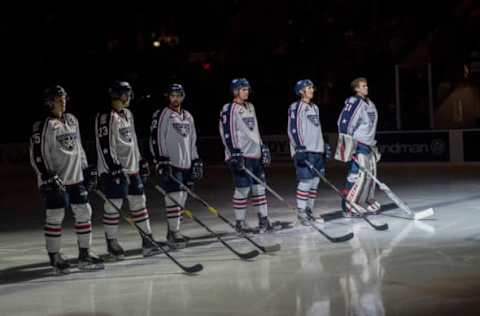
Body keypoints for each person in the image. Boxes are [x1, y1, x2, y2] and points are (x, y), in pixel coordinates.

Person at [30, 85, 104, 274]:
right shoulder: (43, 125)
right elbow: (38, 153)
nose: (62, 101)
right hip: (55, 180)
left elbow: (78, 147)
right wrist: (47, 175)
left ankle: (84, 253)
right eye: (58, 98)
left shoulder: (72, 120)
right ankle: (55, 256)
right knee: (55, 216)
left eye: (63, 97)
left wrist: (87, 169)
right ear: (49, 102)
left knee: (84, 212)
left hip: (75, 178)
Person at [95, 80, 160, 260]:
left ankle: (148, 240)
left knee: (139, 202)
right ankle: (112, 242)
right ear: (119, 95)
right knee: (114, 206)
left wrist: (140, 161)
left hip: (132, 169)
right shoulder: (105, 116)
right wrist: (114, 168)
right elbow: (104, 145)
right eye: (127, 93)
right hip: (114, 171)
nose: (130, 96)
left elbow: (132, 141)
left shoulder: (128, 114)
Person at [149, 83, 203, 249]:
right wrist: (160, 159)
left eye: (178, 95)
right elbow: (156, 137)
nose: (175, 98)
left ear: (182, 96)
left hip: (186, 163)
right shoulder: (163, 114)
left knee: (183, 197)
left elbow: (193, 140)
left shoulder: (188, 116)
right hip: (171, 163)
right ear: (168, 97)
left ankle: (175, 230)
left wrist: (196, 160)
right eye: (172, 95)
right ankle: (173, 232)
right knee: (174, 197)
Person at [219, 78, 273, 234]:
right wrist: (234, 152)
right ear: (235, 91)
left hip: (254, 154)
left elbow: (254, 130)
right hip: (241, 155)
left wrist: (262, 147)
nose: (246, 92)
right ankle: (240, 223)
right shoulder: (229, 108)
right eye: (243, 89)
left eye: (247, 89)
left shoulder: (250, 106)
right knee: (243, 189)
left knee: (259, 189)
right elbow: (227, 131)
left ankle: (263, 220)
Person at [335, 77, 380, 216]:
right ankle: (348, 203)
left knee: (370, 175)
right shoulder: (354, 102)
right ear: (356, 89)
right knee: (357, 175)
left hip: (369, 144)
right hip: (358, 144)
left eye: (366, 85)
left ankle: (364, 200)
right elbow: (343, 122)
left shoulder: (369, 103)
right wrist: (348, 144)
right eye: (363, 86)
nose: (366, 88)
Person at [287, 79, 330, 225]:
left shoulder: (315, 108)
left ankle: (309, 211)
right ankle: (301, 212)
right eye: (309, 88)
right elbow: (294, 128)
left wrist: (323, 146)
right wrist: (299, 147)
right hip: (305, 150)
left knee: (315, 182)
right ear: (301, 91)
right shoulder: (296, 106)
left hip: (317, 151)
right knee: (305, 182)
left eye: (312, 87)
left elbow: (317, 129)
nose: (312, 90)